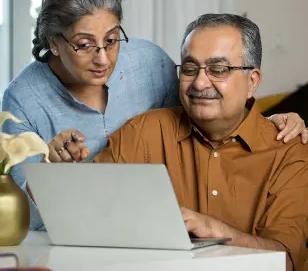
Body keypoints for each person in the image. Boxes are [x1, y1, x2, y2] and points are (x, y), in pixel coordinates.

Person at [1, 0, 307, 230]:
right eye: (84, 45)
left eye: (111, 40)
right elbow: (23, 219)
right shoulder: (22, 101)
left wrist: (262, 124)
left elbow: (206, 112)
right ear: (54, 43)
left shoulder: (149, 63)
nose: (103, 58)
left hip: (162, 231)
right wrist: (48, 174)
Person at [95, 14, 308, 271]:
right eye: (190, 68)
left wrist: (214, 230)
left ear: (252, 81)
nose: (199, 82)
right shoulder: (144, 132)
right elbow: (89, 212)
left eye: (218, 70)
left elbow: (285, 259)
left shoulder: (290, 149)